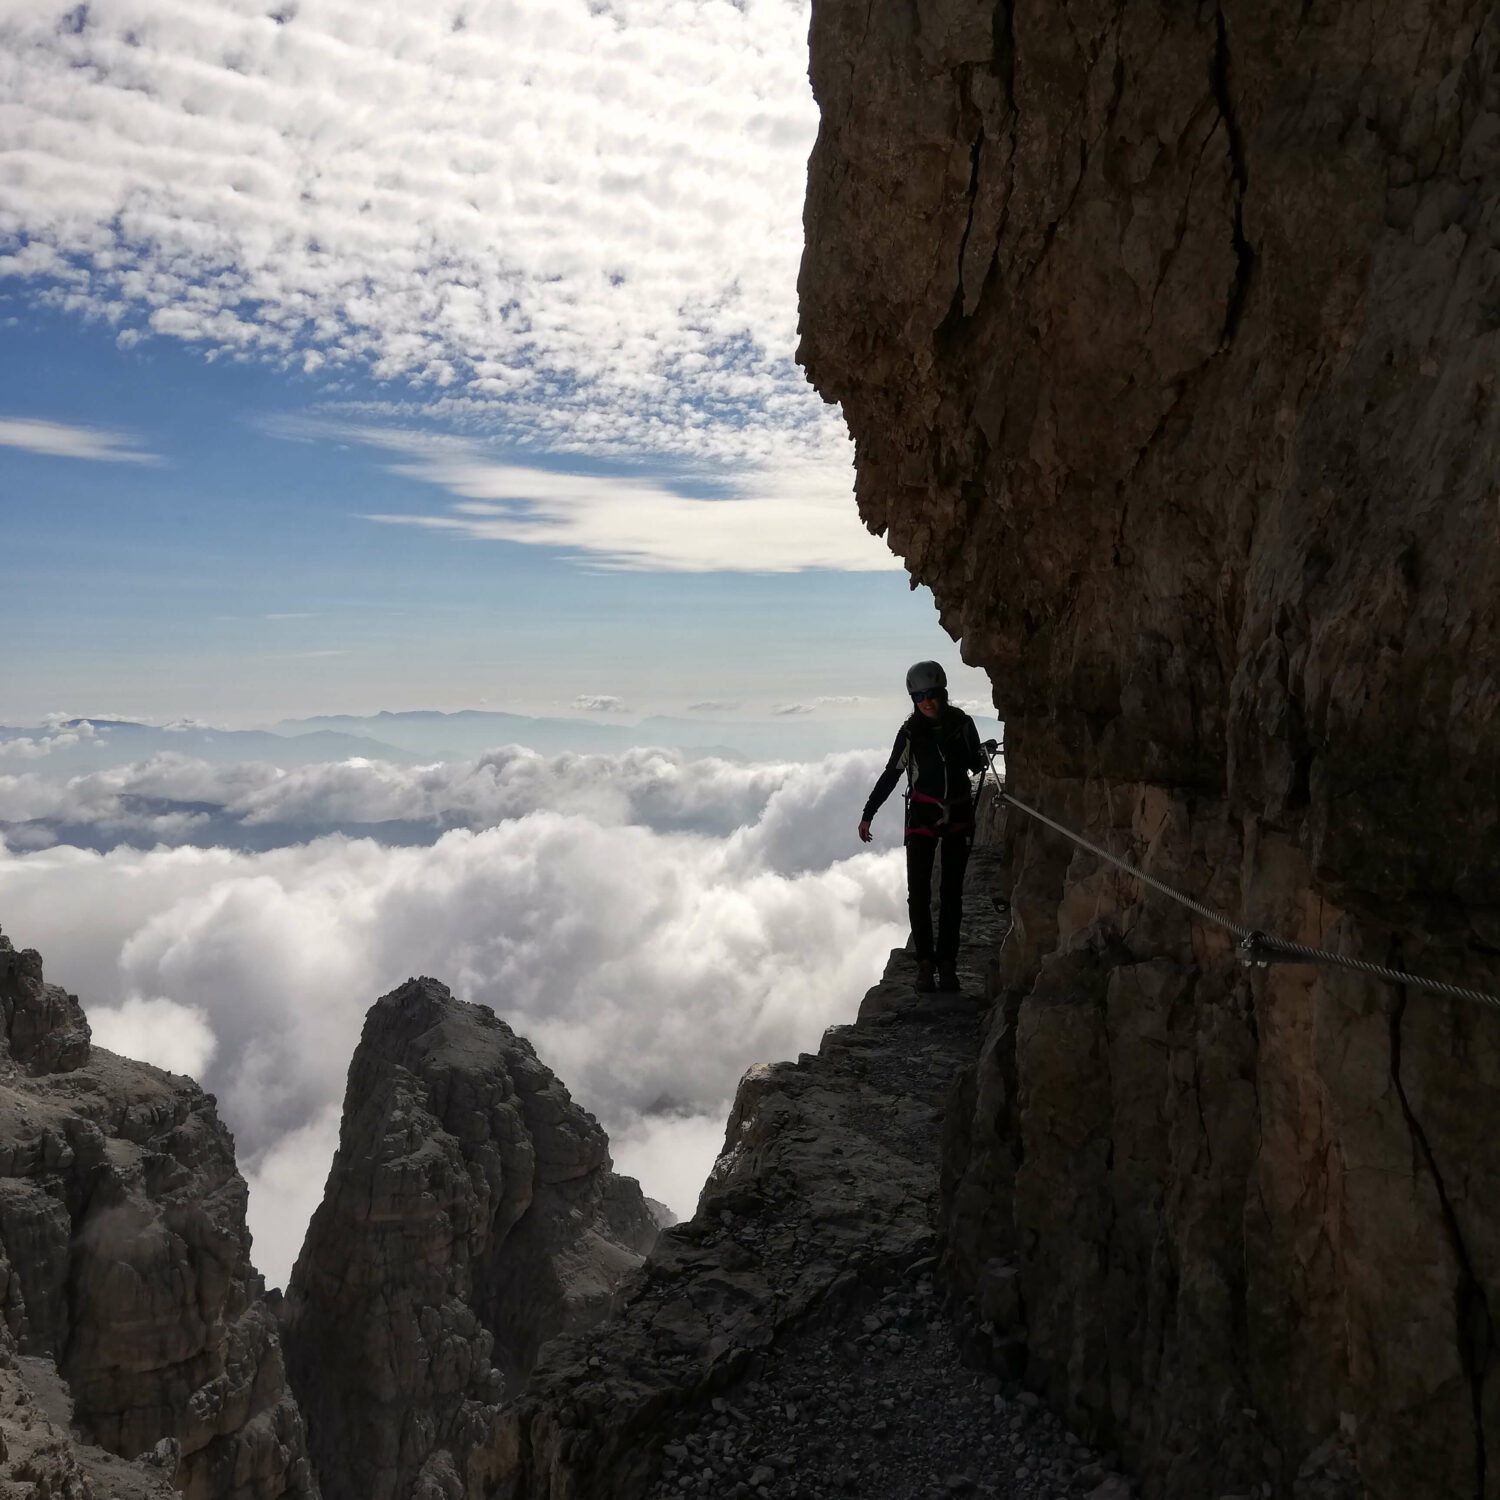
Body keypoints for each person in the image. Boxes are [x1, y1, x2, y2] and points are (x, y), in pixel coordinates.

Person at [859, 661, 986, 993]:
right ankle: (925, 964)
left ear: (942, 692)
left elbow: (974, 763)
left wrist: (981, 756)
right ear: (913, 698)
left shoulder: (962, 725)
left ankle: (946, 964)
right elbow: (892, 774)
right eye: (919, 696)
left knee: (950, 894)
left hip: (956, 813)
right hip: (923, 817)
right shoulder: (910, 734)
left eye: (931, 694)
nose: (926, 701)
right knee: (919, 893)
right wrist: (868, 812)